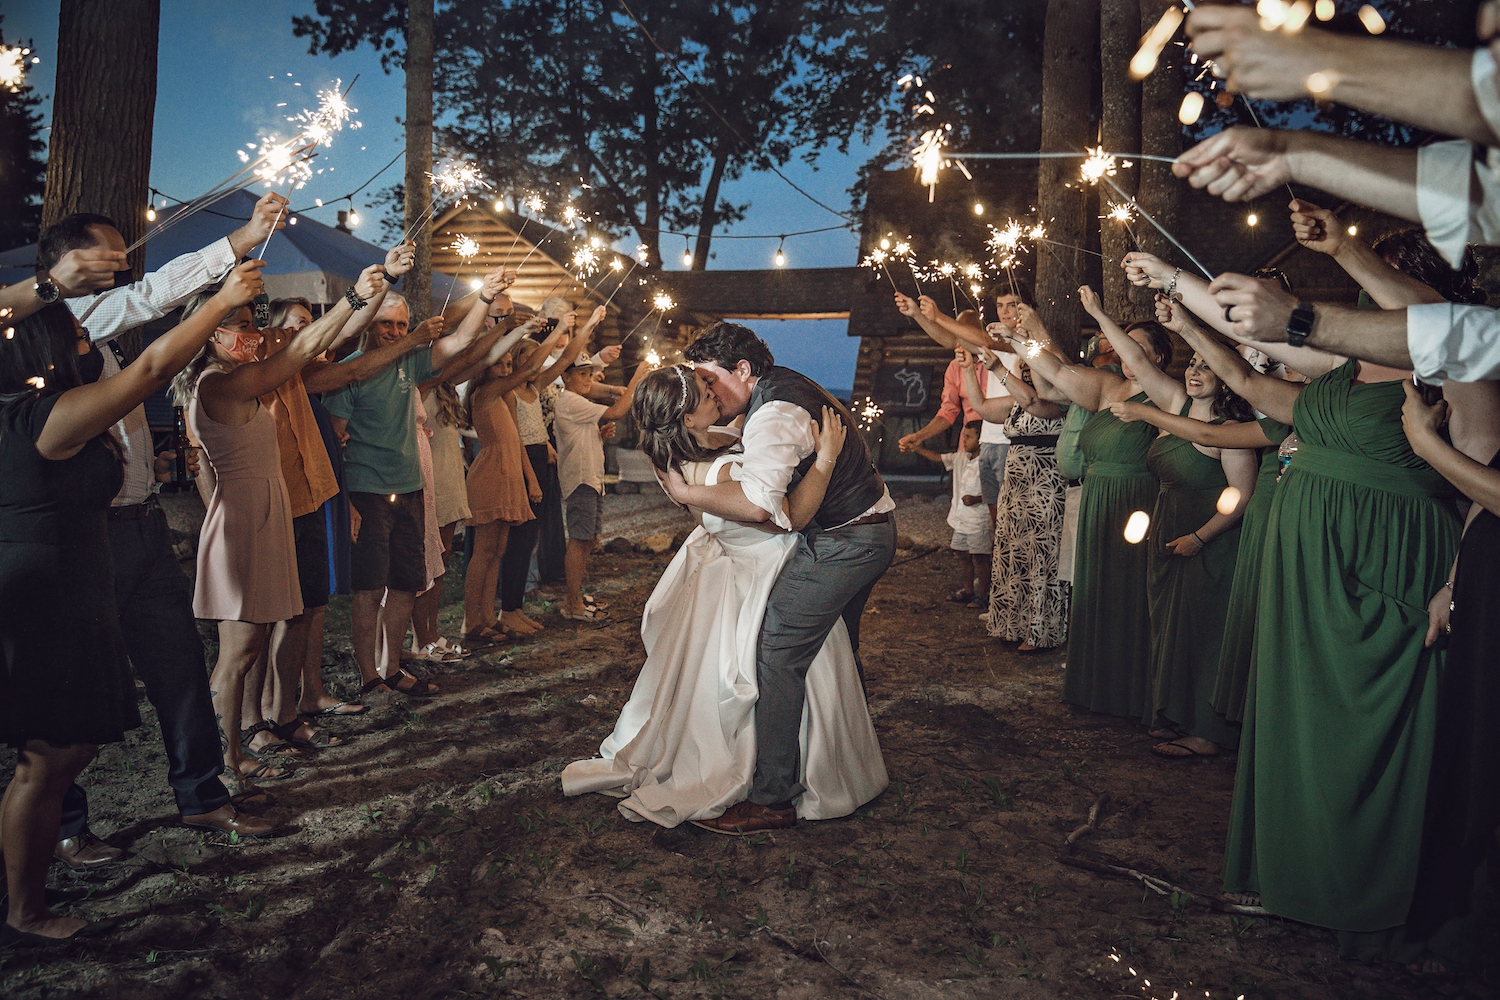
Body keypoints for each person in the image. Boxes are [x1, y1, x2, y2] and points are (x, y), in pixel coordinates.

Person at [1, 260, 264, 947]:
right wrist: (219, 304)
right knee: (48, 755)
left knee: (70, 746)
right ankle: (25, 911)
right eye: (76, 341)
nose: (87, 346)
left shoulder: (50, 412)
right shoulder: (38, 418)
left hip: (76, 585)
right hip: (47, 598)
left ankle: (36, 889)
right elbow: (149, 373)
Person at [32, 196, 288, 860]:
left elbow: (145, 302)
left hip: (141, 527)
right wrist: (239, 244)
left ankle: (202, 797)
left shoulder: (102, 332)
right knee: (78, 684)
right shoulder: (57, 319)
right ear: (65, 262)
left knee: (179, 666)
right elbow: (153, 299)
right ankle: (66, 823)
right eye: (107, 251)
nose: (121, 263)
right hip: (87, 534)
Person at [563, 370, 887, 826]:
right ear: (689, 415)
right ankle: (796, 774)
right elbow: (789, 517)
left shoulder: (674, 453)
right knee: (788, 660)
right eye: (704, 394)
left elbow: (727, 437)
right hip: (763, 568)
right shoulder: (723, 473)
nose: (716, 394)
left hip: (726, 566)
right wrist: (826, 460)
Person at [655, 323, 896, 835]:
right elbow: (752, 446)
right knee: (832, 651)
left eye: (709, 380)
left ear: (742, 370)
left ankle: (772, 800)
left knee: (778, 650)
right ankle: (837, 756)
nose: (709, 394)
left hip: (844, 543)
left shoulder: (776, 414)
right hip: (864, 530)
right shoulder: (776, 391)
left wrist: (686, 494)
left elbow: (762, 507)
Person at [175, 264, 388, 788]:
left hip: (264, 514)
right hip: (243, 522)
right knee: (236, 654)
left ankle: (230, 754)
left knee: (248, 647)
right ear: (208, 329)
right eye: (238, 324)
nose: (250, 335)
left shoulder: (235, 377)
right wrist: (356, 297)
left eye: (252, 323)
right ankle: (220, 762)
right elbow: (297, 351)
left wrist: (365, 300)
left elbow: (308, 344)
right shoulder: (218, 384)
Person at [1084, 287, 1258, 757]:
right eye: (1194, 364)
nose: (1198, 372)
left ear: (1229, 377)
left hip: (1210, 539)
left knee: (1204, 629)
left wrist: (1199, 539)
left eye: (1208, 367)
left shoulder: (1232, 432)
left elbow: (1241, 496)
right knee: (1169, 627)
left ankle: (1206, 731)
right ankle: (1172, 713)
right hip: (1166, 527)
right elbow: (1138, 364)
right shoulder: (1177, 405)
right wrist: (1099, 313)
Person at [321, 270, 505, 700]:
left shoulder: (409, 361)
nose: (396, 332)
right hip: (368, 491)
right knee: (369, 587)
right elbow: (335, 440)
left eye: (402, 325)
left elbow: (457, 345)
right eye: (387, 323)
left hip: (410, 487)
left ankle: (392, 666)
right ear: (368, 325)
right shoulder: (350, 372)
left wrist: (485, 298)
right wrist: (345, 501)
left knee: (405, 583)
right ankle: (368, 675)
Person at [1015, 302, 1173, 722]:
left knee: (1130, 596)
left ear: (1158, 356)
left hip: (1137, 502)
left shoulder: (1165, 393)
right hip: (1097, 499)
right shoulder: (1107, 386)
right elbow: (1055, 376)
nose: (1125, 352)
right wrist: (1018, 340)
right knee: (1094, 591)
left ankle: (1132, 692)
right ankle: (1095, 688)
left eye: (1136, 346)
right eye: (1122, 345)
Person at [957, 345, 1070, 652]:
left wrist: (997, 368)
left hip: (1045, 484)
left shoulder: (1059, 400)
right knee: (1013, 550)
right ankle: (1013, 624)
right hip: (1016, 486)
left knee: (1039, 553)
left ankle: (1040, 629)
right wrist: (969, 368)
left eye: (1029, 367)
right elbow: (980, 406)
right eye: (1023, 368)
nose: (1025, 372)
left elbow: (1035, 402)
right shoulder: (1016, 402)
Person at [460, 317, 564, 643]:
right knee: (484, 550)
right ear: (486, 367)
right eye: (500, 364)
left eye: (508, 364)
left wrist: (530, 479)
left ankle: (489, 615)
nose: (506, 370)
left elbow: (516, 441)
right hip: (491, 473)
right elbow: (525, 370)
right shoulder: (485, 395)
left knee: (498, 550)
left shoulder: (503, 399)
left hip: (508, 474)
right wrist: (534, 334)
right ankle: (470, 620)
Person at [497, 310, 598, 634]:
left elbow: (564, 358)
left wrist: (584, 326)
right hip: (521, 459)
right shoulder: (509, 390)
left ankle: (515, 607)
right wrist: (557, 333)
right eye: (526, 359)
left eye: (533, 360)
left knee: (529, 538)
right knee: (516, 538)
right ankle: (507, 609)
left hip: (540, 456)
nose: (533, 365)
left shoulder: (535, 386)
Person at [554, 352, 650, 621]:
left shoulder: (578, 402)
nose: (586, 379)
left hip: (591, 479)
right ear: (566, 376)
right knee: (579, 539)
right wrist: (636, 379)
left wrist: (599, 435)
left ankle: (575, 596)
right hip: (581, 480)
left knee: (588, 539)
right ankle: (572, 604)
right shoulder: (571, 401)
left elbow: (580, 440)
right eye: (581, 374)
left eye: (588, 374)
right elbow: (618, 411)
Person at [909, 416, 990, 607]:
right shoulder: (961, 457)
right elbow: (939, 458)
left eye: (969, 437)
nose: (964, 441)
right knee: (962, 552)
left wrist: (977, 498)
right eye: (964, 437)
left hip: (979, 519)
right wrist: (917, 449)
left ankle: (984, 594)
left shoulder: (987, 461)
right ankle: (968, 589)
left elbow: (997, 490)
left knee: (980, 558)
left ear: (981, 439)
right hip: (960, 517)